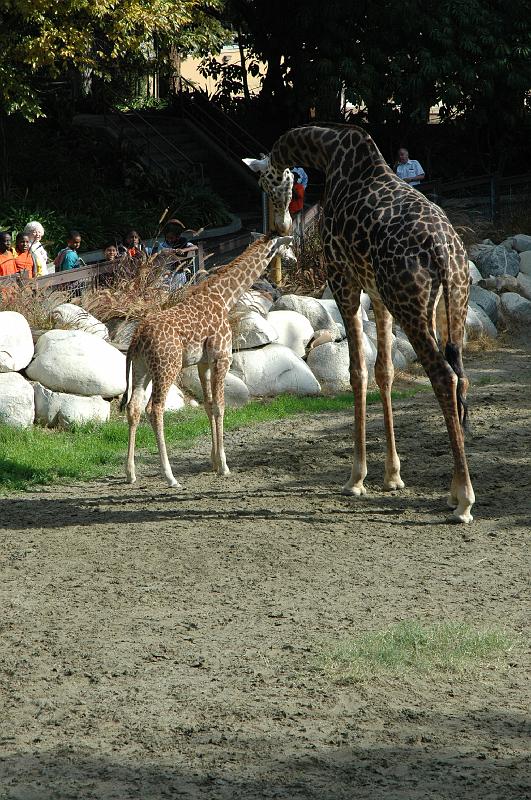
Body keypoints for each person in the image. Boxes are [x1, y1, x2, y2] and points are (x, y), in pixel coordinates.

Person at [289, 170, 305, 242]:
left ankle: (299, 244)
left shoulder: (300, 186)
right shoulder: (288, 187)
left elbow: (298, 196)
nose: (294, 179)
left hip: (297, 210)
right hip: (290, 210)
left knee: (298, 229)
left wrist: (291, 188)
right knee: (291, 228)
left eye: (295, 178)